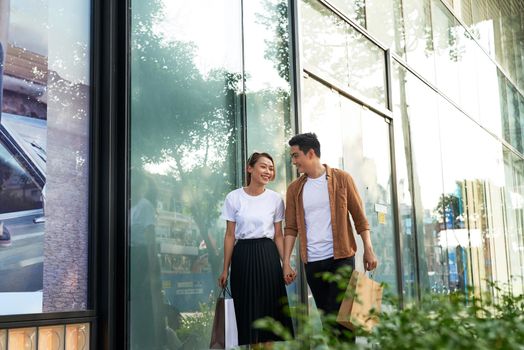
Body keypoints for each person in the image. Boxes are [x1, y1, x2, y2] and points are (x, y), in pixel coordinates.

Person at [282, 133, 378, 338]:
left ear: (311, 153)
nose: (294, 161)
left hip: (341, 258)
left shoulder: (342, 179)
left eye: (296, 155)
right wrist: (286, 261)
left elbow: (360, 218)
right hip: (313, 262)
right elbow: (290, 228)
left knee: (342, 318)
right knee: (328, 320)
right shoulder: (294, 190)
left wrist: (368, 249)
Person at [218, 152, 294, 346]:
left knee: (269, 317)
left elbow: (278, 235)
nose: (268, 171)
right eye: (263, 166)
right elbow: (229, 235)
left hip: (268, 257)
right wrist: (225, 268)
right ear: (250, 168)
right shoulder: (233, 198)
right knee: (248, 317)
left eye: (271, 168)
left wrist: (286, 263)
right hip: (242, 257)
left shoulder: (276, 199)